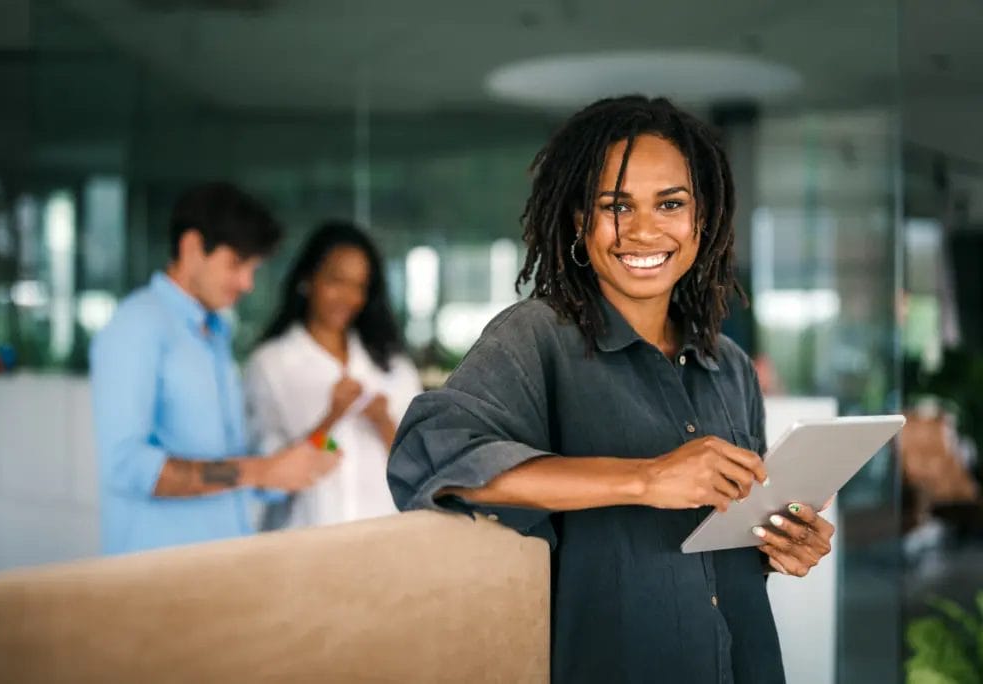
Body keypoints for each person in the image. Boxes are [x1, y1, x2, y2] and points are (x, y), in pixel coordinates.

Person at [387, 95, 836, 683]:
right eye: (615, 206)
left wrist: (779, 543)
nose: (644, 230)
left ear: (704, 219)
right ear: (580, 220)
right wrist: (645, 478)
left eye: (671, 203)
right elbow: (428, 455)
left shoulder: (725, 363)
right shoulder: (538, 337)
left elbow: (713, 550)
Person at [90, 182, 340, 555]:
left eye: (253, 267)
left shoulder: (214, 334)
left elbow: (230, 467)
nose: (247, 283)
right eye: (236, 264)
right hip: (157, 578)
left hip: (222, 565)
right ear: (192, 248)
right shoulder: (137, 325)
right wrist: (260, 471)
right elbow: (127, 466)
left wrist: (288, 466)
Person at [246, 220, 421, 529]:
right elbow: (267, 480)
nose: (348, 297)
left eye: (359, 286)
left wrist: (384, 423)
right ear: (307, 279)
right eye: (336, 281)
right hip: (305, 548)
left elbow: (421, 470)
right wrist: (330, 420)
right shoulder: (271, 366)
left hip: (385, 542)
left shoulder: (393, 368)